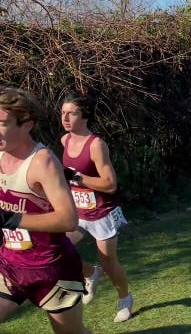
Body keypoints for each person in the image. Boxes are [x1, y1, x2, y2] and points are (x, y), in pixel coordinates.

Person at [0, 87, 92, 333]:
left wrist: (12, 219)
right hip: (10, 264)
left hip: (52, 270)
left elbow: (68, 219)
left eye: (2, 123)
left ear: (27, 124)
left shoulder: (43, 162)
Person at [60, 93, 132, 322]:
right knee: (56, 248)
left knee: (109, 262)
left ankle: (125, 299)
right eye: (63, 112)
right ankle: (90, 273)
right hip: (78, 213)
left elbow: (110, 184)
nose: (65, 117)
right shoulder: (65, 141)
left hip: (102, 213)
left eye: (72, 113)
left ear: (85, 115)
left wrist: (79, 179)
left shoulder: (96, 145)